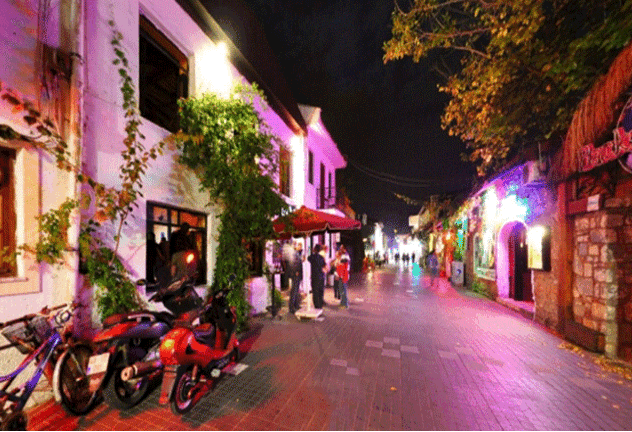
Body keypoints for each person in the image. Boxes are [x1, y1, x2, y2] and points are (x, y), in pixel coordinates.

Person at [308, 244, 327, 309]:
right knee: (320, 291)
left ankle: (316, 305)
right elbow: (325, 267)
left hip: (314, 276)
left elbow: (306, 260)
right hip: (321, 276)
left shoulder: (311, 257)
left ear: (314, 249)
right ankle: (320, 305)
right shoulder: (321, 257)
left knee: (315, 291)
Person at [289, 242, 304, 314]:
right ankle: (291, 307)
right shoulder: (294, 253)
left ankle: (296, 305)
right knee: (294, 290)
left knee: (297, 290)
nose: (300, 247)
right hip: (295, 274)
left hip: (298, 274)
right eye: (299, 246)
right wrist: (296, 271)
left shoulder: (298, 253)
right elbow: (293, 263)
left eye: (301, 246)